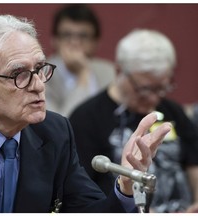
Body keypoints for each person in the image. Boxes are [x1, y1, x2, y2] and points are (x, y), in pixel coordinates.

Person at [0, 15, 171, 213]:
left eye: (40, 69)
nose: (38, 85)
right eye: (19, 74)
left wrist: (125, 186)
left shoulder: (55, 133)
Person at [69, 29, 198, 213]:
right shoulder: (87, 118)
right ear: (119, 71)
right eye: (144, 89)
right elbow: (83, 192)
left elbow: (193, 160)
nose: (154, 98)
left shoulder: (172, 110)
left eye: (162, 87)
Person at [46, 4, 116, 117]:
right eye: (66, 35)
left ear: (96, 43)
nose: (74, 42)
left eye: (83, 36)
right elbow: (61, 125)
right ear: (54, 40)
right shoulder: (42, 74)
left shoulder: (110, 72)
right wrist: (82, 73)